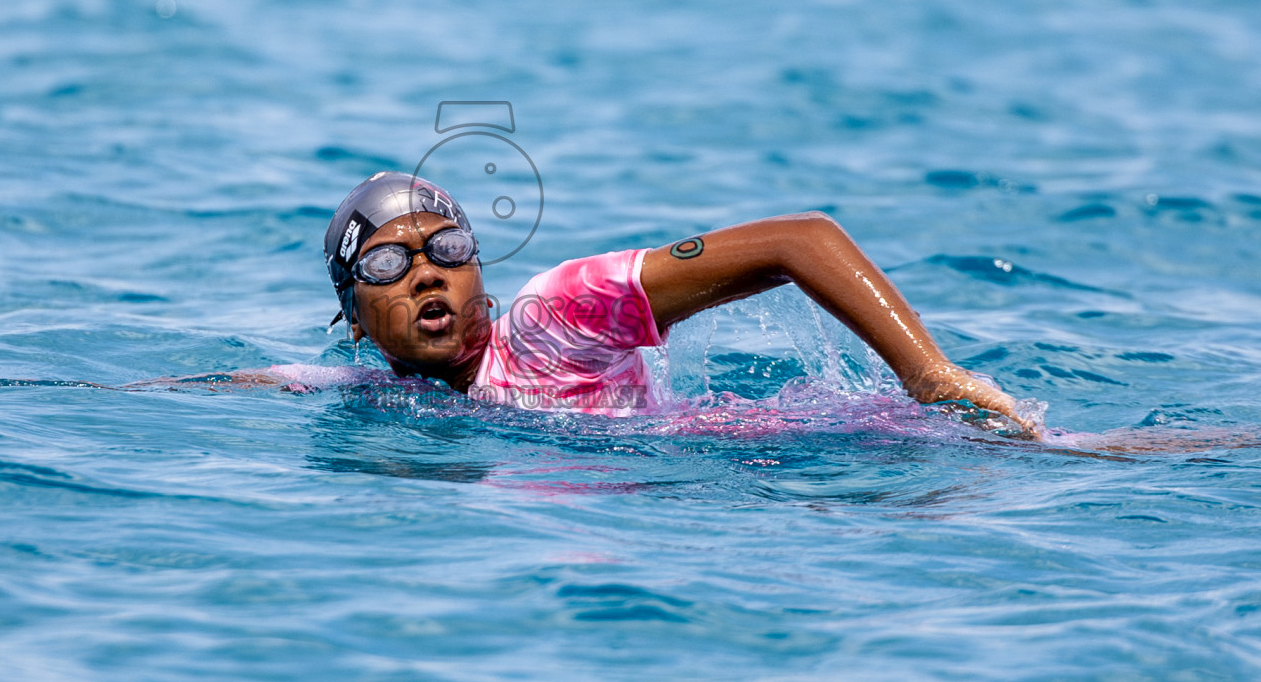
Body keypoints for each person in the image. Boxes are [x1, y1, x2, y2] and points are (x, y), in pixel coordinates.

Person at [294, 171, 1035, 436]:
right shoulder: (378, 392)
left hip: (796, 467)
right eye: (389, 263)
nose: (428, 273)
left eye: (450, 250)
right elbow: (289, 380)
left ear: (481, 276)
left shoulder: (554, 317)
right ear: (353, 320)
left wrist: (931, 378)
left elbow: (802, 240)